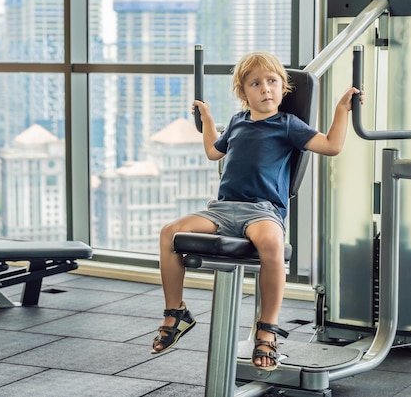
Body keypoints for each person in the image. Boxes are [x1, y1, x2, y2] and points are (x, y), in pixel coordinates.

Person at [152, 51, 363, 371]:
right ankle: (176, 313)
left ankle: (267, 330)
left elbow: (332, 146)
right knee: (170, 233)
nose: (265, 88)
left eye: (272, 82)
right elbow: (213, 151)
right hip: (222, 209)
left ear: (283, 89)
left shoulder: (289, 125)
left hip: (262, 211)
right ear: (243, 92)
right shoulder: (237, 122)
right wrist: (208, 120)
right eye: (256, 83)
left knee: (272, 244)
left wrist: (341, 110)